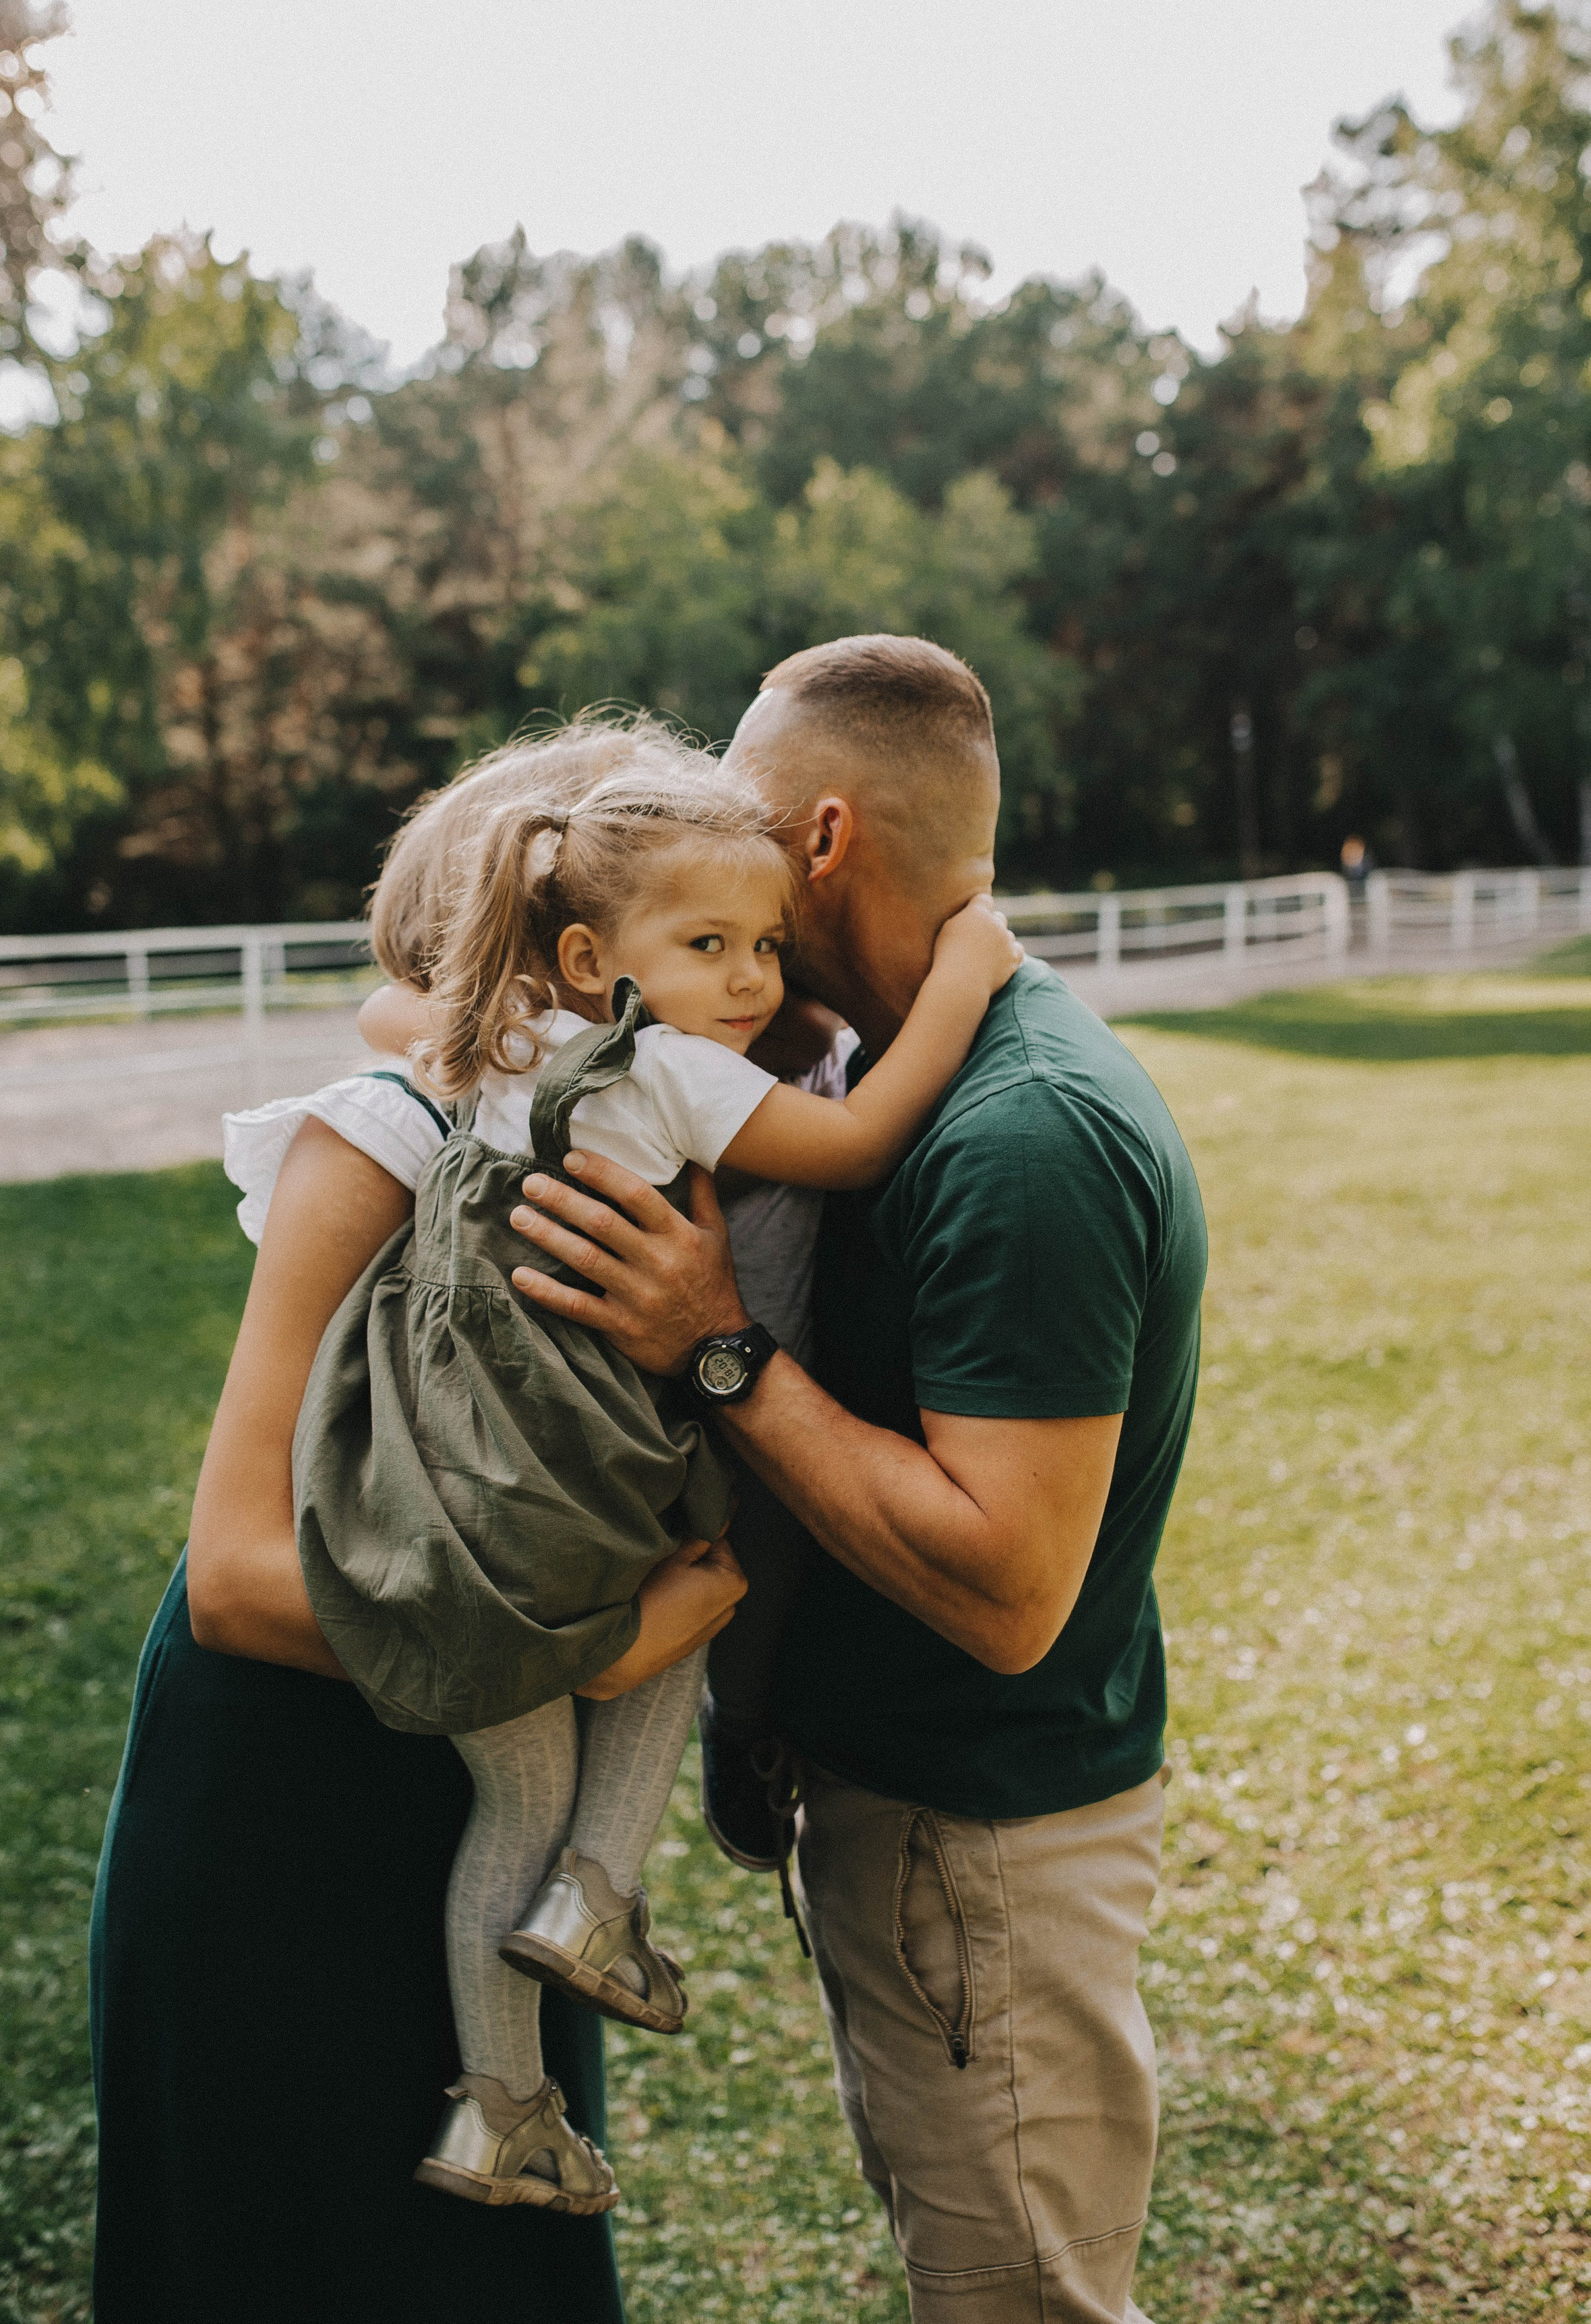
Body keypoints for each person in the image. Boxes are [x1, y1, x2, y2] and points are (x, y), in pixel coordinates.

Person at [500, 636, 1210, 2324]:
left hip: (987, 1854)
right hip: (917, 1834)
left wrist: (713, 1347)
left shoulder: (1022, 1134)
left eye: (736, 825)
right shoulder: (873, 1071)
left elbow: (1009, 1589)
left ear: (818, 840)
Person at [295, 733, 1019, 2211]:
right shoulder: (679, 1072)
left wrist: (551, 975)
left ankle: (497, 2107)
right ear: (588, 953)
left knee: (510, 1799)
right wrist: (967, 975)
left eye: (764, 943)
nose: (752, 979)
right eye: (711, 946)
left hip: (453, 1478)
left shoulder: (494, 1043)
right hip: (598, 1484)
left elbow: (393, 1002)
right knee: (685, 1618)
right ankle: (600, 1898)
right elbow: (866, 1138)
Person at [87, 717, 744, 2324]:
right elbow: (241, 1581)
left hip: (486, 1840)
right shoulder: (371, 1149)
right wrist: (590, 1651)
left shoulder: (625, 1145)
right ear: (563, 951)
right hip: (290, 1824)